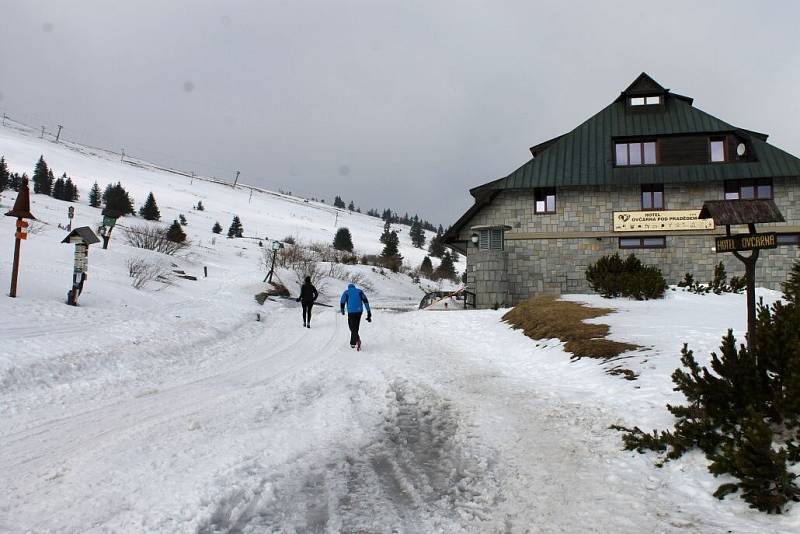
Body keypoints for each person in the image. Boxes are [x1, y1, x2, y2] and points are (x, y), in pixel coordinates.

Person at [340, 283, 371, 350]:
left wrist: (342, 310)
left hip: (351, 312)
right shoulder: (359, 291)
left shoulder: (346, 292)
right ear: (354, 287)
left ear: (349, 287)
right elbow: (365, 301)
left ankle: (356, 340)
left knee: (352, 327)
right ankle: (353, 342)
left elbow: (342, 302)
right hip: (359, 311)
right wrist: (369, 312)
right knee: (356, 326)